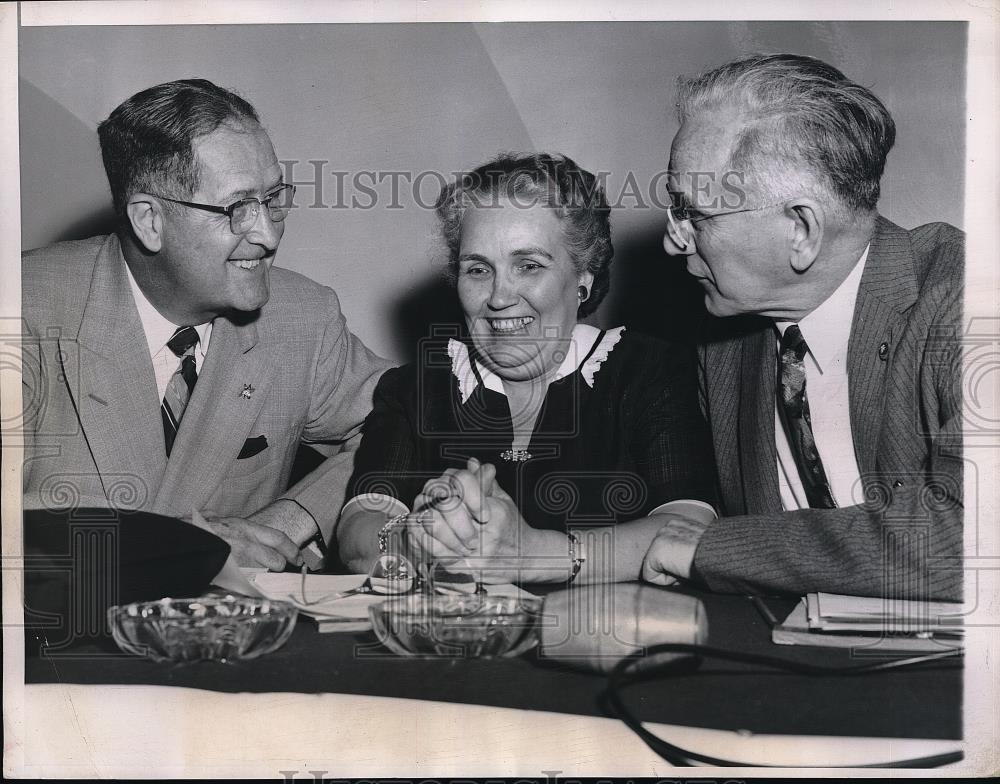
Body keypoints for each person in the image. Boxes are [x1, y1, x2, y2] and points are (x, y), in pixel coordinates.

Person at [22, 79, 392, 570]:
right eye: (237, 208)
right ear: (150, 220)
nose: (266, 234)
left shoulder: (303, 316)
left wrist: (293, 517)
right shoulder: (21, 307)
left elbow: (407, 419)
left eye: (274, 198)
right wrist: (182, 552)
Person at [643, 54, 963, 600]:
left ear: (800, 228)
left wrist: (707, 549)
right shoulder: (722, 336)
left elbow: (971, 540)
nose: (675, 240)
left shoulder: (966, 303)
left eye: (693, 214)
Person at [337, 153, 717, 583]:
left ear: (582, 279)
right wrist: (415, 539)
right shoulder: (414, 387)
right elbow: (357, 534)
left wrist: (534, 555)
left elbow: (690, 527)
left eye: (528, 266)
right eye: (478, 269)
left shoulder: (648, 371)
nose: (499, 297)